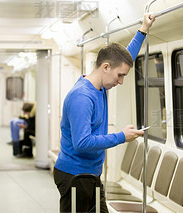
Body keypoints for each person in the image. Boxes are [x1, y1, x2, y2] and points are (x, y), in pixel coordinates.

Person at [53, 13, 156, 212]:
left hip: (90, 174)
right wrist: (120, 137)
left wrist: (143, 30)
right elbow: (82, 143)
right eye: (119, 76)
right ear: (105, 67)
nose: (121, 81)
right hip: (75, 176)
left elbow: (125, 57)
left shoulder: (101, 87)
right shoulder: (82, 97)